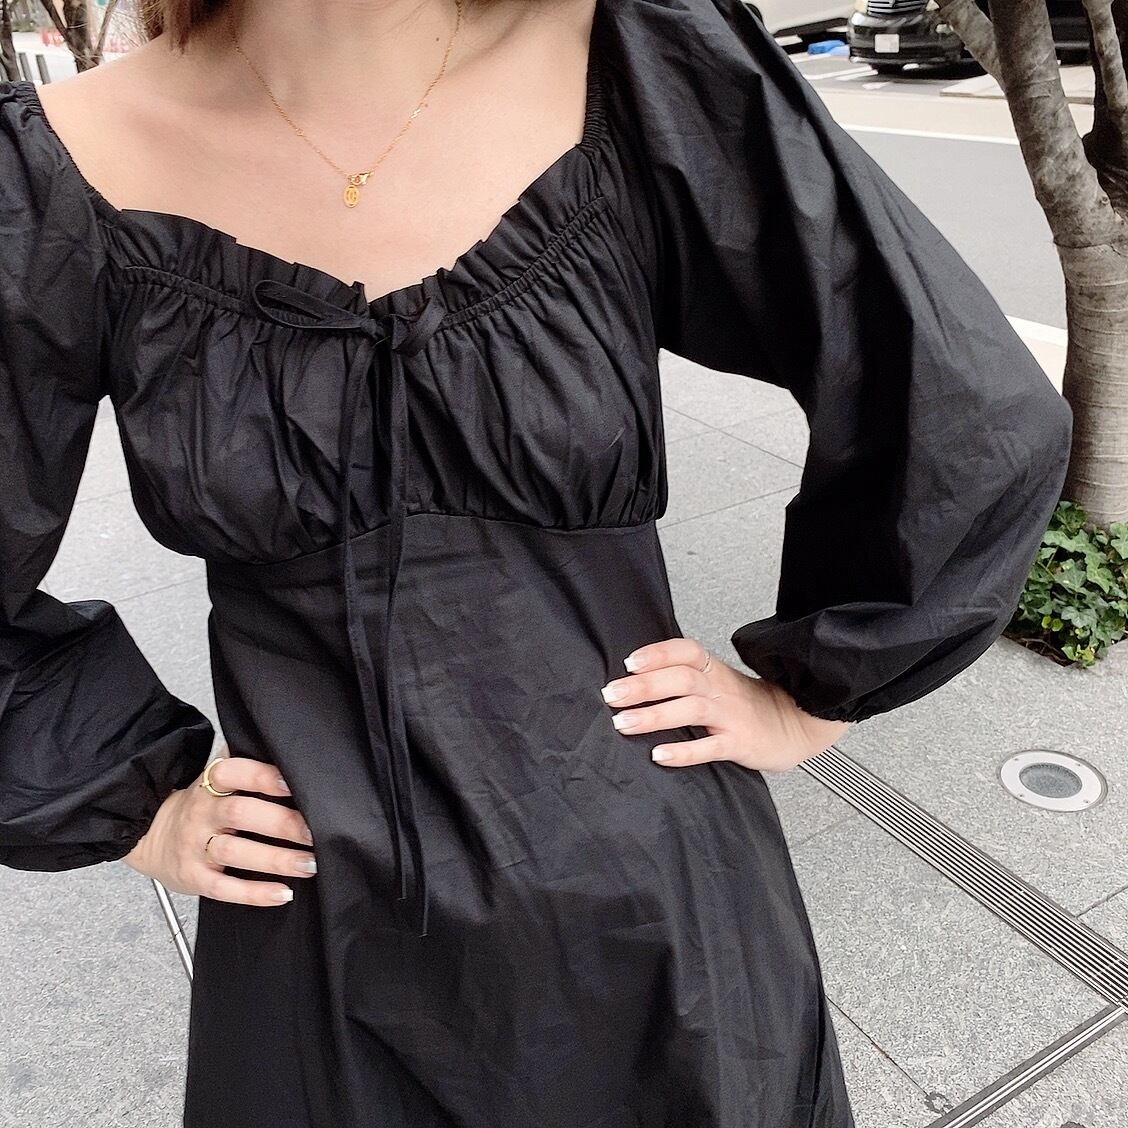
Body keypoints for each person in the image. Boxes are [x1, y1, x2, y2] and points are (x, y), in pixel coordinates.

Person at [0, 0, 1072, 1124]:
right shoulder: (58, 163)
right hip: (324, 941)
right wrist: (132, 803)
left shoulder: (628, 58)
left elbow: (959, 397)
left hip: (666, 926)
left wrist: (811, 701)